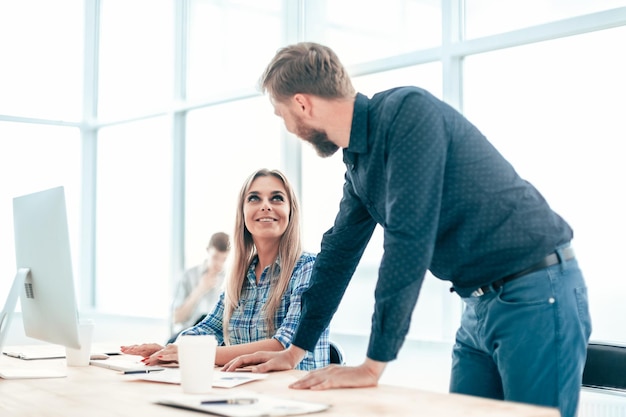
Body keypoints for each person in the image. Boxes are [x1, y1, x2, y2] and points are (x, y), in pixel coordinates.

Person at [222, 42, 592, 417]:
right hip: (477, 304)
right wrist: (295, 351)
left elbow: (408, 240)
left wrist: (372, 366)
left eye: (282, 114)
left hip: (534, 292)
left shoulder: (407, 114)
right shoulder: (359, 163)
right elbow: (338, 255)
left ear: (302, 104)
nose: (289, 127)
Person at [121, 168, 329, 370]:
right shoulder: (240, 276)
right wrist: (171, 350)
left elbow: (284, 345)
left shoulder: (308, 268)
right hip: (246, 391)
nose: (265, 206)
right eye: (254, 198)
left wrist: (192, 354)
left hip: (294, 395)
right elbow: (207, 328)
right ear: (243, 213)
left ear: (291, 211)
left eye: (276, 198)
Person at [168, 232, 231, 344]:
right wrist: (200, 290)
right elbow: (176, 318)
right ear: (208, 251)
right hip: (188, 333)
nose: (219, 264)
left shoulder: (229, 280)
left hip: (215, 338)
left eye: (224, 259)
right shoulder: (189, 276)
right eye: (215, 257)